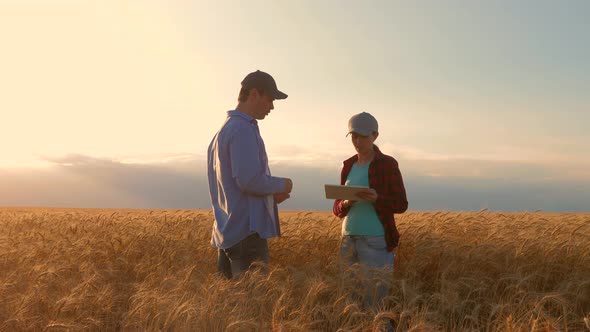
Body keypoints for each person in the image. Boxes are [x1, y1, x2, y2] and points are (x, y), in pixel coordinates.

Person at [207, 70, 293, 279]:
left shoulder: (222, 131)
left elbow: (234, 187)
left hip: (227, 233)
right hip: (246, 234)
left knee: (232, 305)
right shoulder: (242, 129)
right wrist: (284, 184)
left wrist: (269, 196)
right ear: (254, 94)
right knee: (252, 305)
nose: (272, 106)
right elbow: (248, 180)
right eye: (270, 99)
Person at [332, 112, 408, 309]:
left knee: (375, 304)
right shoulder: (348, 165)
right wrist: (345, 203)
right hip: (348, 239)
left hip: (375, 240)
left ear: (375, 135)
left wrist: (378, 199)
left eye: (363, 136)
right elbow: (336, 208)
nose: (358, 141)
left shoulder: (387, 164)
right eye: (354, 136)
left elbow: (401, 204)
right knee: (351, 302)